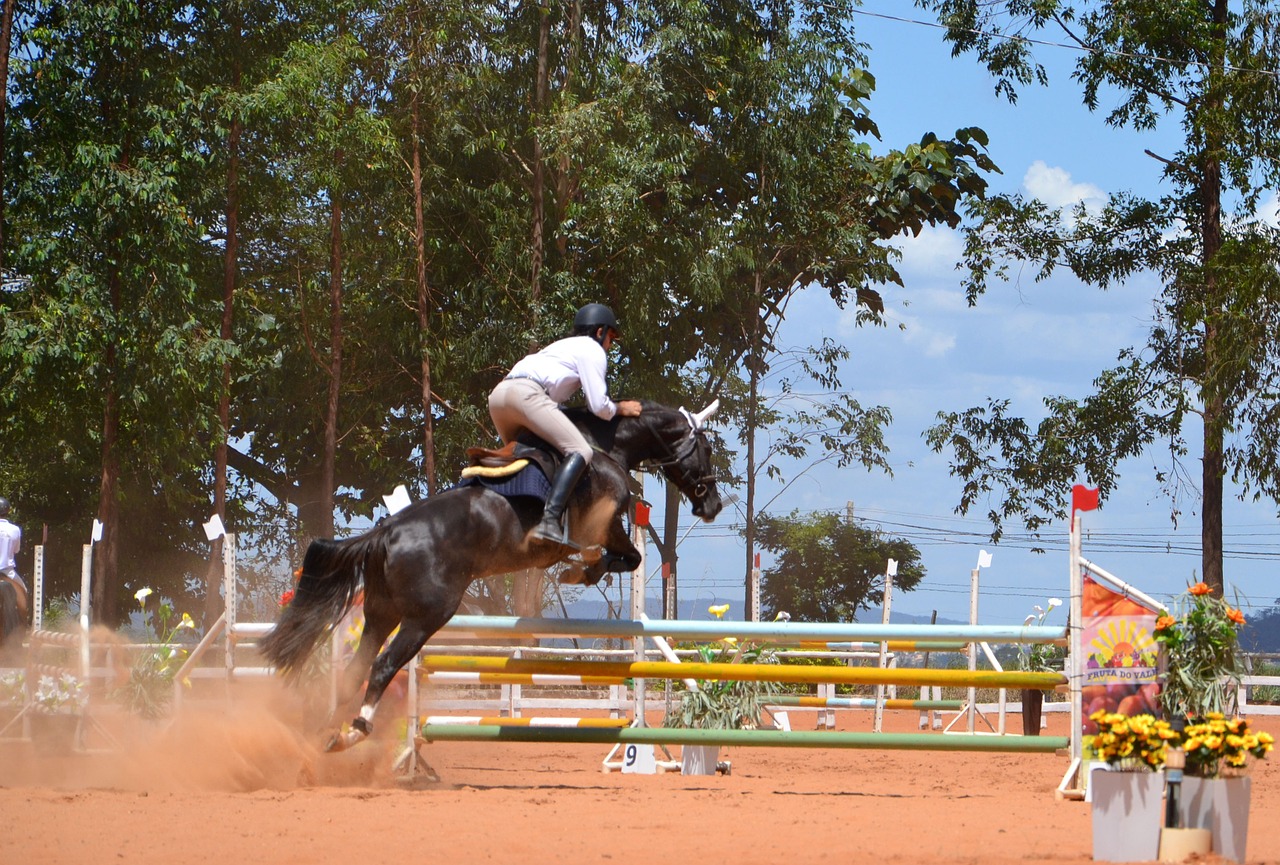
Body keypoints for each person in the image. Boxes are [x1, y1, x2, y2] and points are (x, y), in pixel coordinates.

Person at [488, 303, 642, 547]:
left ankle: (514, 517)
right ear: (600, 332)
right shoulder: (592, 349)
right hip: (528, 396)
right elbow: (599, 406)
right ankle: (549, 520)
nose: (610, 346)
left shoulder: (559, 347)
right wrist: (621, 408)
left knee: (529, 457)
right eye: (610, 337)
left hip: (499, 398)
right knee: (581, 451)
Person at [0, 496, 26, 610]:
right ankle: (24, 625)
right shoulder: (15, 529)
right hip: (7, 572)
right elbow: (16, 550)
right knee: (24, 592)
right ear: (8, 511)